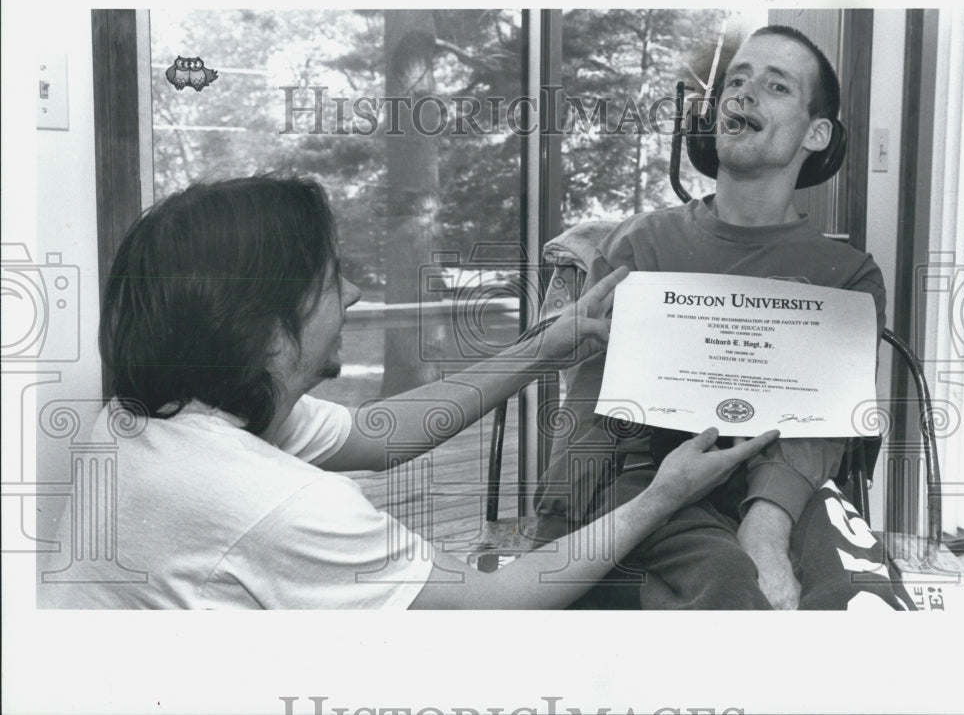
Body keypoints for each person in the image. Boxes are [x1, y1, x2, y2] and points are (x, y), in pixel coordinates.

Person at [45, 174, 777, 609]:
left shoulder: (152, 417)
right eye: (333, 281)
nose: (357, 294)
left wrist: (545, 348)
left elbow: (381, 433)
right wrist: (665, 494)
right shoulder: (275, 504)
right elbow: (494, 605)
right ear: (264, 331)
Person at [533, 25, 914, 610]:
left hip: (791, 486)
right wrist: (556, 530)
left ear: (817, 133)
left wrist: (767, 524)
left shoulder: (849, 276)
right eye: (736, 79)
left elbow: (824, 430)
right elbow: (591, 405)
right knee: (727, 588)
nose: (743, 93)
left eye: (775, 85)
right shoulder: (642, 244)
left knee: (855, 600)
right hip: (648, 478)